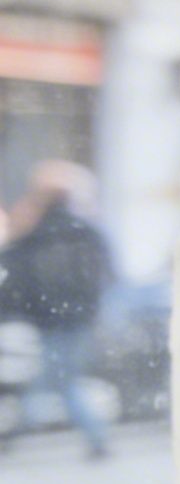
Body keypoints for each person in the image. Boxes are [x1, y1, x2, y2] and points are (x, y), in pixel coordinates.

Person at [0, 160, 116, 459]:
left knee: (59, 381)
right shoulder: (86, 230)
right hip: (77, 318)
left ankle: (92, 436)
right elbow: (105, 274)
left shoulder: (36, 234)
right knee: (55, 379)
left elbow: (16, 277)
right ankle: (17, 430)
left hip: (51, 320)